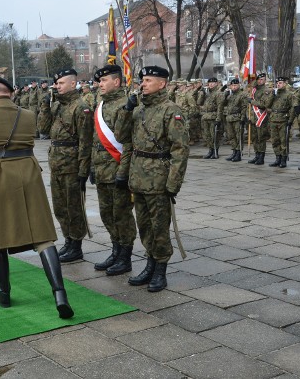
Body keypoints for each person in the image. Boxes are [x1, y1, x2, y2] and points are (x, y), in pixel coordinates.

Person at [0, 75, 74, 319]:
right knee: (43, 235)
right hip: (28, 172)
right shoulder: (28, 115)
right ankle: (60, 294)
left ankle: (4, 293)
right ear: (9, 93)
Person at [124, 66, 189, 292]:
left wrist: (173, 183)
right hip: (138, 177)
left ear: (162, 84)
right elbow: (123, 136)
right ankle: (150, 264)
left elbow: (180, 150)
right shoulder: (140, 109)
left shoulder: (171, 110)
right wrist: (126, 110)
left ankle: (160, 270)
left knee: (159, 227)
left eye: (149, 80)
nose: (143, 84)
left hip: (159, 179)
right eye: (143, 80)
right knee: (144, 226)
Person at [38, 68, 92, 263]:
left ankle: (76, 244)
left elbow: (86, 142)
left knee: (74, 207)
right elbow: (43, 130)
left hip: (72, 165)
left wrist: (84, 170)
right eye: (56, 84)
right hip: (57, 164)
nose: (57, 87)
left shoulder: (81, 107)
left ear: (72, 83)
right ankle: (68, 240)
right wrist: (45, 105)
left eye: (60, 83)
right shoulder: (58, 106)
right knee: (60, 207)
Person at [91, 64, 137, 275]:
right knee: (106, 214)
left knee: (122, 215)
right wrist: (92, 166)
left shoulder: (125, 105)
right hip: (101, 169)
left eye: (104, 80)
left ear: (116, 82)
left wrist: (123, 172)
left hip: (117, 169)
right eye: (99, 81)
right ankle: (115, 250)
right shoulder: (100, 105)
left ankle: (125, 257)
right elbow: (95, 140)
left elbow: (127, 143)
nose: (100, 84)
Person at [265, 77, 296, 167]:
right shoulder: (274, 94)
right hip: (273, 119)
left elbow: (292, 108)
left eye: (281, 83)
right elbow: (267, 105)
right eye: (277, 83)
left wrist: (290, 120)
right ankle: (277, 158)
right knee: (274, 140)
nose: (279, 84)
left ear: (285, 84)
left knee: (283, 141)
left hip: (283, 120)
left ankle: (283, 159)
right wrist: (272, 95)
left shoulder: (289, 94)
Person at [247, 73, 270, 165]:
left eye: (262, 79)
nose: (260, 81)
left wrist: (251, 101)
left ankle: (261, 157)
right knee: (254, 138)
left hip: (261, 117)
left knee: (261, 138)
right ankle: (256, 155)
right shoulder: (254, 90)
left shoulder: (266, 91)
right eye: (259, 79)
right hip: (253, 118)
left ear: (265, 81)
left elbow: (263, 104)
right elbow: (249, 107)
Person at [199, 77, 224, 159]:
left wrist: (218, 118)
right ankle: (210, 150)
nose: (211, 84)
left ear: (216, 83)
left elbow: (220, 107)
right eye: (209, 83)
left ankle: (215, 151)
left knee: (214, 136)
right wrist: (202, 94)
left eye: (213, 83)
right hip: (206, 117)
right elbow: (199, 103)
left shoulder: (218, 93)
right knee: (207, 135)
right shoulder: (207, 93)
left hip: (213, 117)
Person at [223, 78, 246, 162]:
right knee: (231, 136)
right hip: (229, 118)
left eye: (235, 85)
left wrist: (243, 118)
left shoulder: (242, 94)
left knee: (238, 136)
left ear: (239, 85)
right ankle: (234, 151)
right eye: (232, 85)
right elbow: (223, 104)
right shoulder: (230, 95)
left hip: (237, 118)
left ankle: (239, 153)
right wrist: (224, 96)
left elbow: (244, 107)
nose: (233, 87)